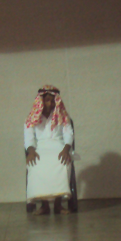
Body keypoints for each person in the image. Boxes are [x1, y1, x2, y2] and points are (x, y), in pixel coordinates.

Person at [24, 85, 74, 215]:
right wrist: (31, 151)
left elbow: (68, 133)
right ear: (40, 101)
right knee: (35, 164)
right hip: (39, 147)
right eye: (47, 100)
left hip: (59, 146)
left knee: (62, 162)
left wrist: (66, 149)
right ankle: (44, 205)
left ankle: (58, 205)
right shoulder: (32, 117)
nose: (50, 104)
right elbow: (28, 136)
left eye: (52, 101)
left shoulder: (62, 115)